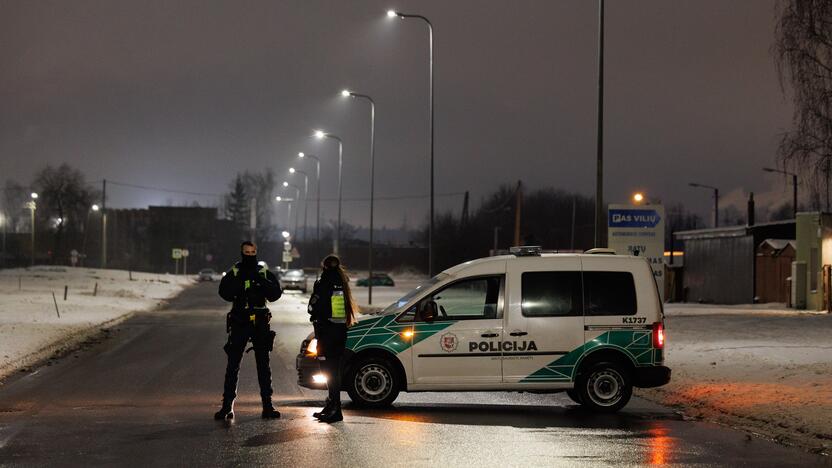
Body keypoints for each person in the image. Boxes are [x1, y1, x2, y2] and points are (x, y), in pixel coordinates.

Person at [214, 241, 282, 420]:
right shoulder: (235, 271)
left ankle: (268, 406)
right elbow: (224, 292)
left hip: (259, 322)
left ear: (256, 252)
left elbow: (275, 294)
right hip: (240, 321)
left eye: (252, 252)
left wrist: (261, 281)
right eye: (247, 252)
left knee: (263, 366)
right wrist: (240, 282)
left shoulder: (263, 272)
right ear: (241, 252)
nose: (250, 255)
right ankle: (227, 407)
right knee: (233, 365)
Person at [307, 254, 357, 423]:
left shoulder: (324, 283)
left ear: (324, 267)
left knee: (328, 371)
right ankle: (332, 405)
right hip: (339, 332)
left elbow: (314, 307)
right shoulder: (341, 283)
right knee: (334, 370)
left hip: (327, 332)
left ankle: (335, 409)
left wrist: (314, 306)